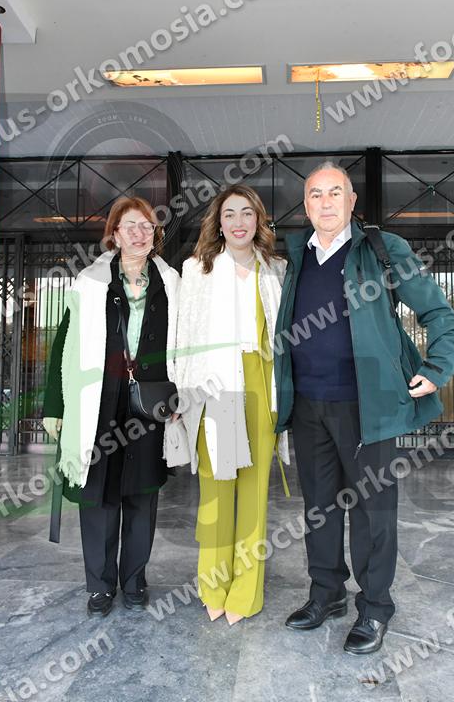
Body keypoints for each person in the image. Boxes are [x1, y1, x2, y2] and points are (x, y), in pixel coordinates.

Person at [274, 161, 454, 654]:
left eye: (335, 192)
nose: (326, 202)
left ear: (352, 201)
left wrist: (438, 366)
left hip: (368, 405)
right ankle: (326, 593)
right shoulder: (297, 256)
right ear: (306, 205)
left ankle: (375, 607)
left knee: (373, 511)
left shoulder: (381, 249)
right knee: (319, 509)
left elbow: (437, 311)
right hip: (309, 405)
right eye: (316, 194)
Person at [43, 197, 180, 616]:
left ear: (155, 234)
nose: (139, 233)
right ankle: (100, 585)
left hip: (149, 400)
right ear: (115, 235)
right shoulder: (90, 282)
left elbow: (186, 339)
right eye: (129, 226)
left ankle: (134, 580)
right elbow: (64, 344)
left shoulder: (172, 282)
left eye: (146, 226)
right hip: (98, 400)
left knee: (142, 491)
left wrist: (183, 395)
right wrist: (54, 405)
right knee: (99, 493)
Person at [175, 184, 289, 625]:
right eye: (229, 214)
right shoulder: (198, 269)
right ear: (218, 223)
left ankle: (245, 591)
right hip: (217, 386)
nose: (238, 222)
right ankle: (213, 585)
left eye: (246, 213)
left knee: (254, 492)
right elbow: (183, 336)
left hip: (261, 382)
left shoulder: (275, 269)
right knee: (218, 492)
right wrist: (182, 390)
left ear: (258, 220)